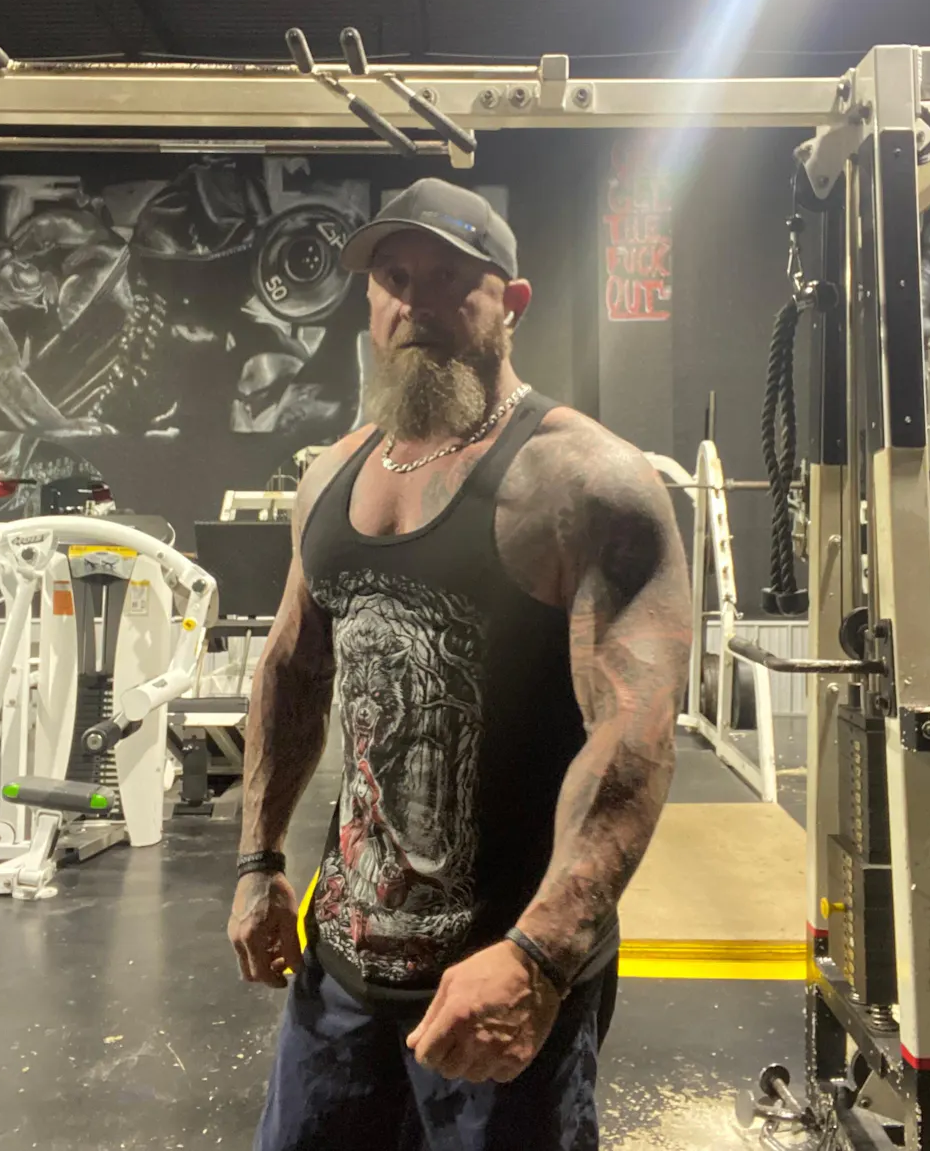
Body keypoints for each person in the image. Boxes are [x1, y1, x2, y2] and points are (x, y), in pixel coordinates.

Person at [227, 178, 691, 1151]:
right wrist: (258, 862)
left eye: (446, 278)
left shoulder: (584, 480)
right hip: (341, 974)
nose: (414, 302)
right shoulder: (332, 475)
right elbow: (292, 668)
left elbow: (634, 733)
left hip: (502, 977)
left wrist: (541, 956)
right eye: (393, 278)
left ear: (511, 302)